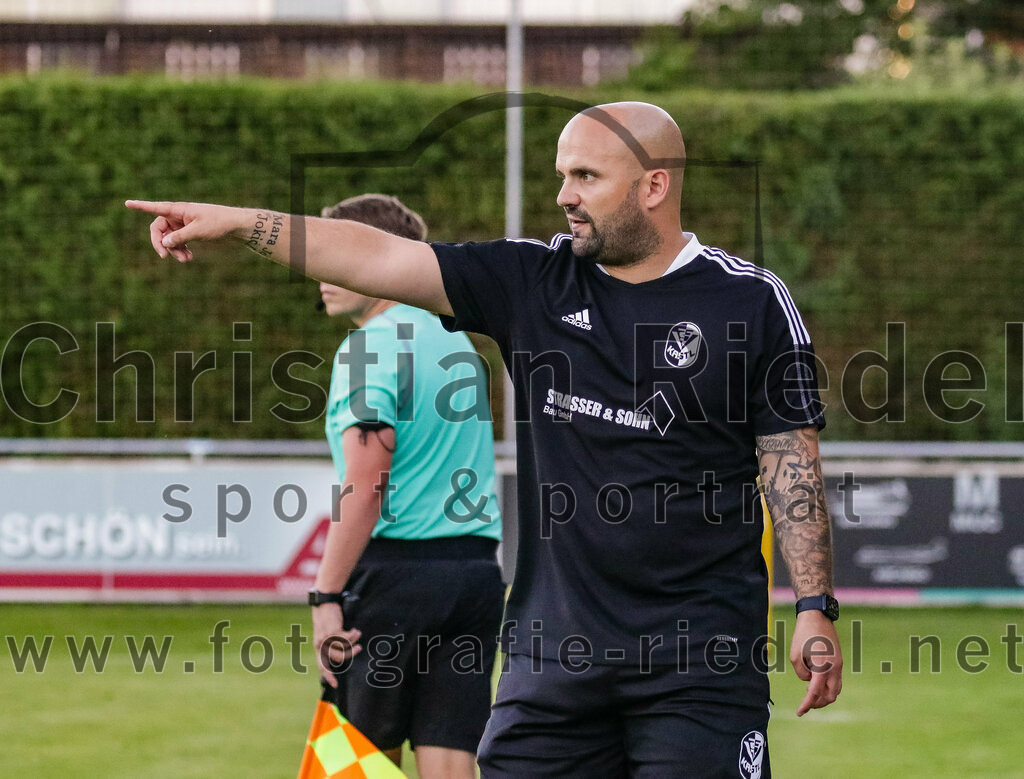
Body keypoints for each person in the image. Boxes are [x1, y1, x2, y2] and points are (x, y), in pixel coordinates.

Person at [128, 100, 842, 777]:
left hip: (700, 668)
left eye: (585, 176)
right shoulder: (533, 282)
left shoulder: (749, 300)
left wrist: (815, 606)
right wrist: (240, 222)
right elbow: (375, 257)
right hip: (551, 667)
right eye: (561, 173)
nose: (564, 193)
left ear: (654, 185)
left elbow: (792, 470)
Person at [309, 194, 504, 777]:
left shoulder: (368, 349)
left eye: (337, 254)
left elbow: (367, 486)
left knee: (362, 765)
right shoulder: (458, 345)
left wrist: (325, 595)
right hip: (472, 575)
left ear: (379, 260)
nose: (322, 271)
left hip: (393, 581)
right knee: (449, 761)